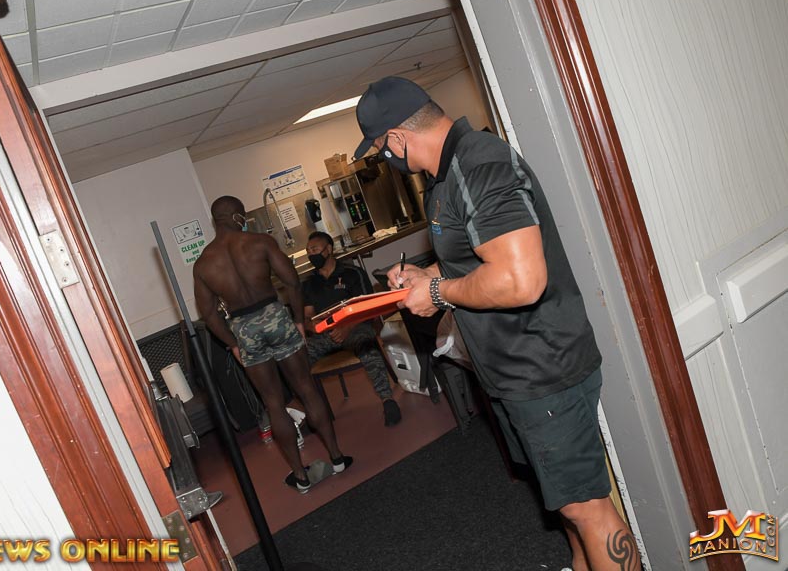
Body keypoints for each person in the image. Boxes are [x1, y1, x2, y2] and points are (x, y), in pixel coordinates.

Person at [354, 77, 639, 571]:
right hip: (509, 370)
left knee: (586, 506)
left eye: (382, 150)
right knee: (562, 502)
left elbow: (521, 281)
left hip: (541, 366)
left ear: (397, 137)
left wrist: (437, 294)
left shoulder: (480, 164)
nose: (387, 159)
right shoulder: (444, 179)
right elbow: (475, 261)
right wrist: (427, 275)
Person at [193, 196, 352, 493]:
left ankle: (300, 477)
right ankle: (337, 458)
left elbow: (209, 314)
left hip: (244, 328)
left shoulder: (203, 263)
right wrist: (298, 321)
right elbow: (291, 282)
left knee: (273, 403)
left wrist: (233, 344)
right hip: (275, 316)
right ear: (238, 217)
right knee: (305, 388)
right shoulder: (260, 242)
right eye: (243, 216)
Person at [302, 231, 402, 426]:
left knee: (367, 346)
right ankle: (313, 413)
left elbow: (369, 308)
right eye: (308, 252)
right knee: (298, 358)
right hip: (325, 334)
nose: (311, 254)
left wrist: (347, 327)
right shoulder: (308, 283)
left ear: (328, 249)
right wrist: (311, 325)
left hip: (355, 327)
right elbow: (307, 316)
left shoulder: (352, 273)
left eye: (314, 249)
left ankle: (388, 400)